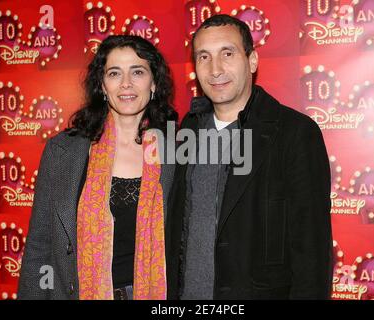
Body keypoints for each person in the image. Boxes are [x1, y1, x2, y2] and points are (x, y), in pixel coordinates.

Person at [166, 14, 333, 300]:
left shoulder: (294, 133)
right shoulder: (188, 129)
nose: (215, 69)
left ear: (252, 61)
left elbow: (312, 253)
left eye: (227, 54)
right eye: (203, 57)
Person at [18, 35, 177, 300]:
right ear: (102, 86)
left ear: (154, 83)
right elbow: (40, 245)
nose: (126, 83)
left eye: (137, 72)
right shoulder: (63, 151)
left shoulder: (177, 154)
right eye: (114, 73)